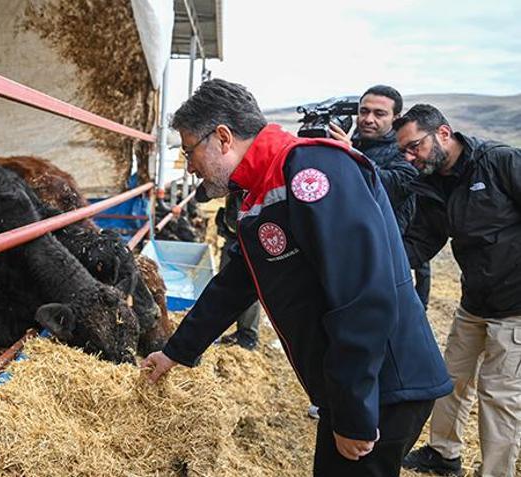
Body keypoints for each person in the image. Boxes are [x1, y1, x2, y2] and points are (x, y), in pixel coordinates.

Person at [140, 79, 452, 477]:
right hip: (357, 385)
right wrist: (175, 352)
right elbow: (237, 280)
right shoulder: (261, 190)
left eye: (189, 151)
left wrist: (354, 413)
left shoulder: (312, 171)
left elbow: (362, 295)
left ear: (222, 137)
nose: (191, 166)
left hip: (383, 382)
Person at [397, 104, 521, 477]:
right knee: (449, 379)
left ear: (444, 134)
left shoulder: (499, 162)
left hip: (516, 303)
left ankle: (495, 472)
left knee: (498, 396)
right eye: (404, 149)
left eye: (414, 146)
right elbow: (422, 239)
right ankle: (443, 452)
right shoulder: (434, 181)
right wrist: (382, 269)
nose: (409, 156)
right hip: (474, 301)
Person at [328, 85, 431, 310]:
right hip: (350, 254)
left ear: (397, 118)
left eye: (379, 113)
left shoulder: (406, 150)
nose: (368, 119)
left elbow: (393, 184)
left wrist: (352, 154)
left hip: (390, 260)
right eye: (363, 111)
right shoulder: (350, 141)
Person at [215, 191, 261, 351]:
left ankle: (248, 336)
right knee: (227, 283)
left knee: (248, 285)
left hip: (247, 236)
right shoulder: (232, 182)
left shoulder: (248, 181)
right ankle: (242, 332)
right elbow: (203, 195)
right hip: (234, 234)